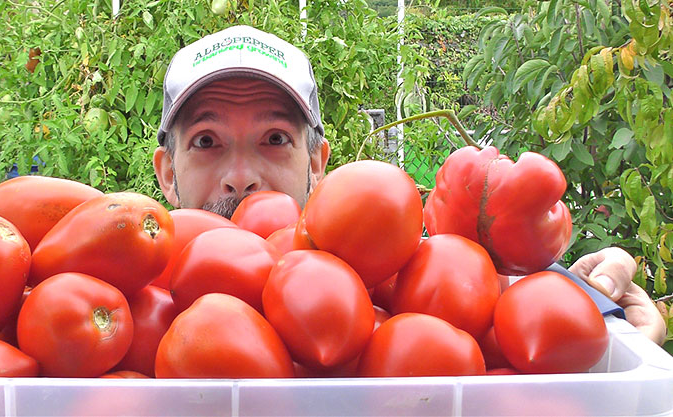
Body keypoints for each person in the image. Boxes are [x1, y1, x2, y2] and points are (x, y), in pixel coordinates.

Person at [151, 25, 667, 345]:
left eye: (275, 137)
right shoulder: (125, 293)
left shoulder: (397, 275)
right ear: (167, 173)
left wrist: (596, 304)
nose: (241, 177)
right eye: (205, 141)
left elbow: (491, 301)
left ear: (318, 165)